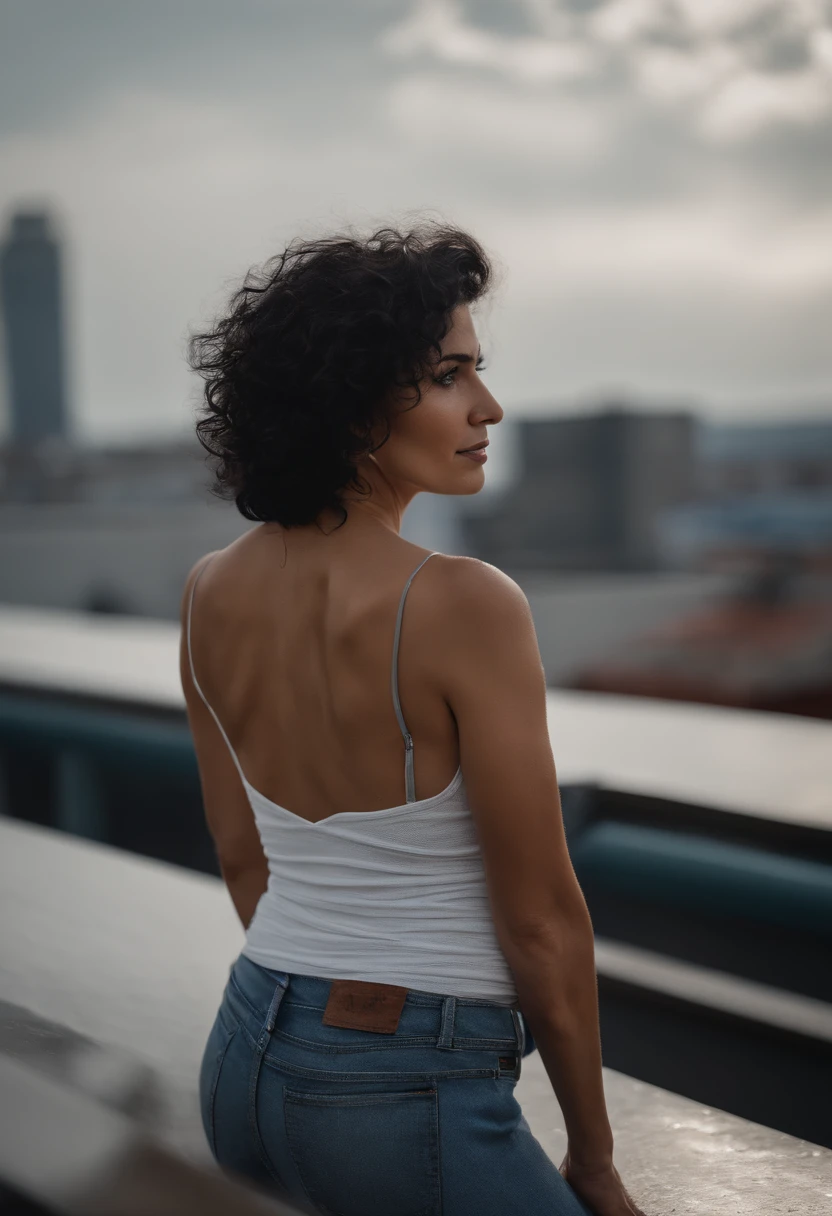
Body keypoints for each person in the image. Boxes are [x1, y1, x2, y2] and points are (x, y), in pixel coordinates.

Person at [180, 221, 646, 1216]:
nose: (489, 406)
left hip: (243, 1052)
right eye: (448, 377)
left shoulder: (209, 591)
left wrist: (307, 1021)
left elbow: (241, 855)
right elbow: (542, 920)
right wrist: (594, 1157)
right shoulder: (463, 603)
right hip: (402, 1091)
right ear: (352, 405)